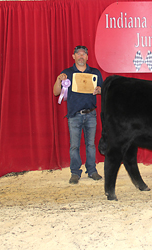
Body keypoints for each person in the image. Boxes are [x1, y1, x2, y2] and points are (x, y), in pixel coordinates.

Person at [53, 45, 103, 184]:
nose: (81, 56)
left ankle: (92, 170)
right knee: (74, 145)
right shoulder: (67, 73)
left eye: (84, 54)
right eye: (78, 54)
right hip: (74, 115)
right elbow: (56, 92)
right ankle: (75, 172)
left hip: (91, 114)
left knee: (91, 145)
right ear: (73, 56)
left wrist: (100, 90)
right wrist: (58, 80)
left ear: (87, 57)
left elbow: (103, 89)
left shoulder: (95, 72)